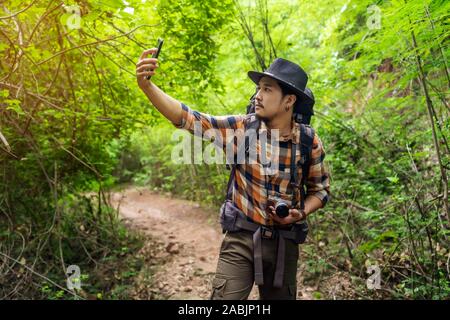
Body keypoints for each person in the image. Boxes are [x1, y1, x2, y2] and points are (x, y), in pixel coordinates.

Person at [136, 48, 330, 300]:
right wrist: (147, 86)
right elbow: (189, 118)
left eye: (267, 89)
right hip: (241, 240)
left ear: (289, 101)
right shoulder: (241, 129)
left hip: (285, 246)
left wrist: (300, 212)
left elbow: (320, 191)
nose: (257, 95)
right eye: (259, 88)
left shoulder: (308, 141)